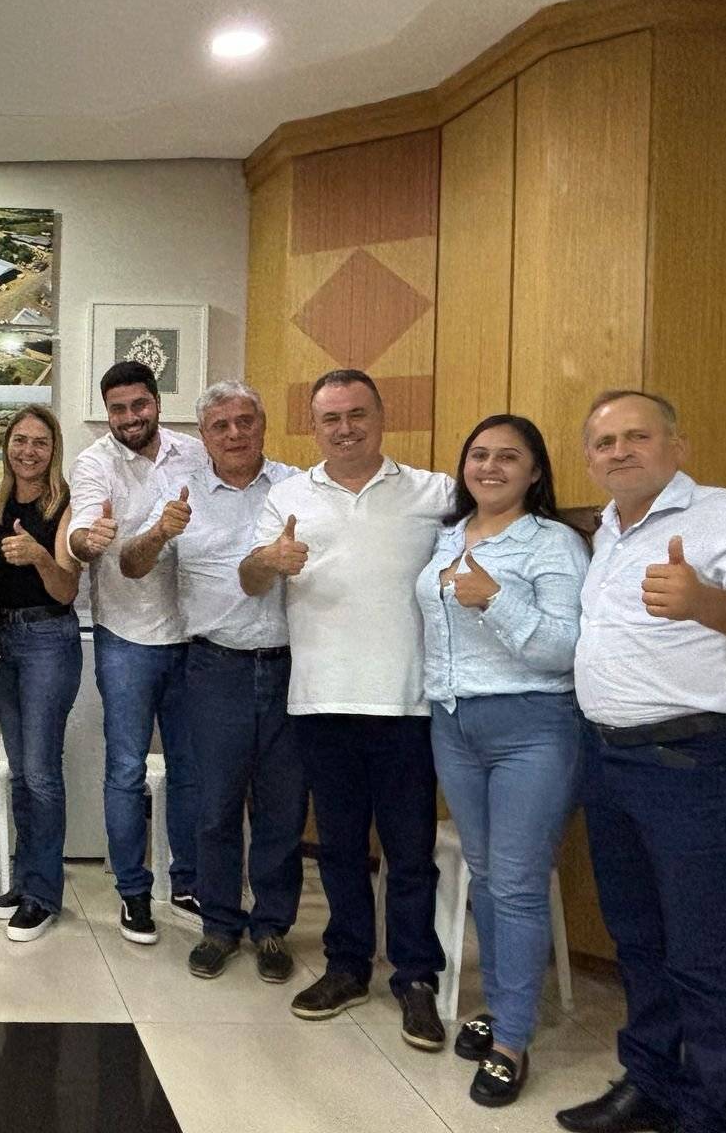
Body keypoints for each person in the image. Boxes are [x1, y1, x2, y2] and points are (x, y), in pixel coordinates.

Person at [240, 368, 452, 1051]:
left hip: (407, 702)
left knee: (410, 853)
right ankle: (348, 966)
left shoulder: (434, 492)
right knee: (337, 849)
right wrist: (270, 560)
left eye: (357, 414)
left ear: (381, 417)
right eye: (330, 418)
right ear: (314, 427)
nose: (345, 428)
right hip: (321, 699)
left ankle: (415, 977)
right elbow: (249, 578)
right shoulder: (288, 496)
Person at [558, 391, 726, 1133]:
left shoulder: (725, 518)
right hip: (607, 757)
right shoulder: (607, 530)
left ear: (678, 446)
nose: (620, 452)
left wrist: (705, 603)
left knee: (701, 950)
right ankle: (650, 1082)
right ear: (589, 459)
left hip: (691, 761)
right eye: (604, 442)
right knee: (636, 938)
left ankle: (709, 1111)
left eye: (637, 437)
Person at [415, 414, 588, 1106]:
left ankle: (512, 1039)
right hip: (453, 724)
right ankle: (501, 1005)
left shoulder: (553, 543)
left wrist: (495, 600)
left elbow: (566, 650)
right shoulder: (446, 536)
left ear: (535, 471)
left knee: (516, 884)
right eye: (479, 454)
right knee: (487, 878)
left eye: (508, 457)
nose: (490, 467)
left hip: (533, 727)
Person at [121, 381, 304, 983]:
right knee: (215, 806)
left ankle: (272, 927)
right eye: (220, 425)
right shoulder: (181, 492)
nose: (234, 433)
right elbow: (131, 564)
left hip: (291, 668)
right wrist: (159, 533)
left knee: (281, 808)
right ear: (203, 436)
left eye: (244, 421)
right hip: (215, 668)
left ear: (263, 424)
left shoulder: (297, 486)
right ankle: (220, 925)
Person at [68, 361, 203, 944]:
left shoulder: (193, 452)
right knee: (125, 771)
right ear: (107, 412)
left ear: (157, 403)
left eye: (139, 405)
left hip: (194, 636)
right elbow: (81, 529)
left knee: (190, 770)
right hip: (125, 637)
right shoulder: (94, 462)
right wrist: (87, 540)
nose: (130, 417)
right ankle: (132, 892)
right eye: (118, 409)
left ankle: (188, 881)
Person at [0, 404, 81, 943]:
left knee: (42, 772)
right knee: (20, 771)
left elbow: (66, 590)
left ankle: (43, 894)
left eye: (39, 442)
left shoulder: (65, 504)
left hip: (48, 638)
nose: (28, 451)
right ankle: (24, 880)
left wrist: (41, 556)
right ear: (7, 447)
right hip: (1, 641)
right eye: (19, 440)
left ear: (53, 450)